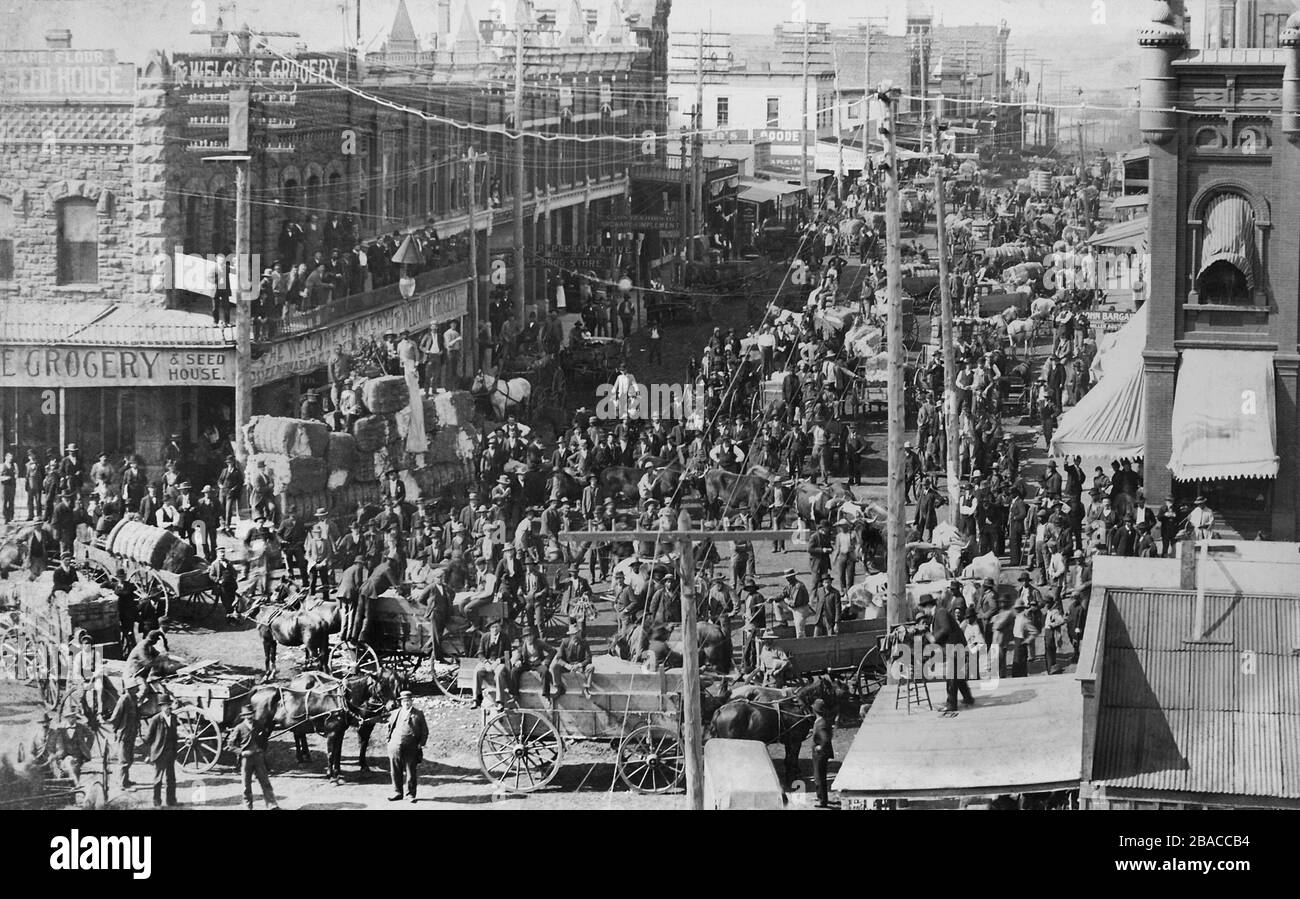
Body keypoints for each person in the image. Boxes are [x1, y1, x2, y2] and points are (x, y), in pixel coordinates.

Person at [918, 592, 974, 712]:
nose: (924, 612)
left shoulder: (940, 612)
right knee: (956, 676)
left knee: (951, 676)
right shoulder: (937, 614)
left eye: (924, 609)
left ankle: (951, 705)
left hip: (954, 647)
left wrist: (931, 636)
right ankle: (968, 698)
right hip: (954, 647)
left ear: (927, 606)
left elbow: (945, 629)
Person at [224, 708, 280, 809]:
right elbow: (230, 745)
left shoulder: (258, 725)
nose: (249, 717)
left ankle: (272, 804)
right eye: (246, 715)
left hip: (259, 758)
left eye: (250, 714)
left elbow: (264, 740)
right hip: (246, 760)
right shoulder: (239, 728)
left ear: (253, 714)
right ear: (243, 716)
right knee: (246, 785)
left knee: (265, 782)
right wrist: (241, 752)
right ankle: (247, 806)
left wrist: (261, 750)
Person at [386, 690, 428, 803]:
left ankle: (410, 794)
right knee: (395, 770)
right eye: (404, 701)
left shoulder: (418, 714)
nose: (407, 703)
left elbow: (425, 731)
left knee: (411, 771)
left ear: (412, 701)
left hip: (411, 747)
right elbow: (389, 728)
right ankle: (397, 792)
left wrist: (421, 744)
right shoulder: (395, 713)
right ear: (401, 702)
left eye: (408, 700)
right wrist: (389, 741)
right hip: (395, 746)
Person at [144, 694, 180, 807]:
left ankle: (171, 801)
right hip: (159, 754)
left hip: (170, 753)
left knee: (171, 779)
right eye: (165, 705)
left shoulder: (174, 718)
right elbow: (148, 739)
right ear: (161, 707)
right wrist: (148, 754)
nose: (168, 707)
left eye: (169, 705)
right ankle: (157, 802)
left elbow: (174, 735)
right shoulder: (155, 720)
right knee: (158, 780)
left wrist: (175, 751)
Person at [108, 681, 145, 789]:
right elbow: (115, 717)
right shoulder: (123, 699)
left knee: (130, 758)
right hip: (123, 733)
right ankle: (122, 783)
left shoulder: (133, 699)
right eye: (135, 688)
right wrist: (115, 730)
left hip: (131, 733)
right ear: (129, 689)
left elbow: (137, 714)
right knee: (123, 759)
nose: (137, 690)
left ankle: (126, 780)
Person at [548, 621, 594, 701]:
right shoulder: (565, 642)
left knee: (591, 667)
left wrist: (579, 665)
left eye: (576, 633)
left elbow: (589, 658)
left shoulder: (584, 643)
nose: (575, 636)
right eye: (573, 634)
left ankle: (586, 688)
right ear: (570, 635)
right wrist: (567, 665)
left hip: (580, 666)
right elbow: (559, 658)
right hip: (568, 665)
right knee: (554, 666)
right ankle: (558, 687)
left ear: (579, 633)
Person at [810, 698, 835, 809]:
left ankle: (822, 801)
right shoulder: (822, 721)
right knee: (820, 776)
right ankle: (822, 797)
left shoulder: (820, 723)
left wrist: (820, 747)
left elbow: (825, 739)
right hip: (821, 754)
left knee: (818, 777)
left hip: (820, 754)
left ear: (815, 710)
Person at [208, 547, 240, 620]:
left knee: (232, 599)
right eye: (221, 553)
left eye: (223, 553)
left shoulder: (228, 562)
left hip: (231, 584)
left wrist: (234, 577)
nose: (222, 554)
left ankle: (231, 615)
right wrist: (218, 581)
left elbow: (234, 571)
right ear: (217, 554)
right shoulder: (214, 564)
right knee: (226, 601)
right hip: (223, 586)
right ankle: (230, 617)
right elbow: (211, 575)